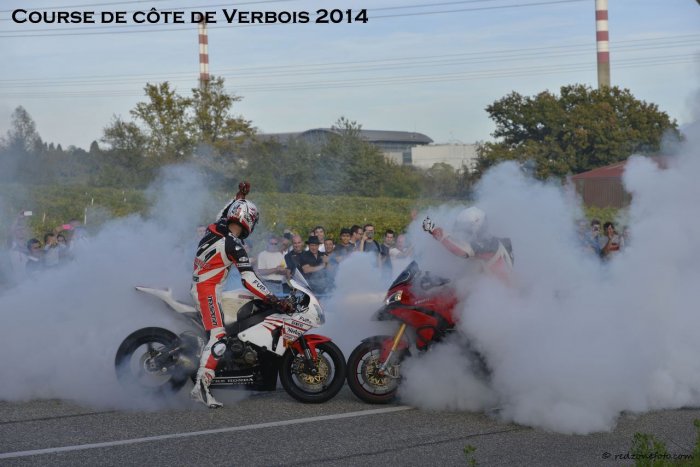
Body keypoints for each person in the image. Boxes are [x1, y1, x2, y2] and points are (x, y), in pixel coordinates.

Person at [190, 184, 291, 408]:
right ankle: (201, 388)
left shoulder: (215, 227)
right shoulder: (233, 245)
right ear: (248, 220)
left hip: (206, 286)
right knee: (218, 337)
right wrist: (272, 298)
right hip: (207, 290)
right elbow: (249, 279)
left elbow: (225, 211)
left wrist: (240, 197)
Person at [423, 207, 514, 282]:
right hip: (488, 289)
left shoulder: (489, 244)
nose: (463, 234)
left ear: (477, 228)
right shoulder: (488, 241)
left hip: (498, 294)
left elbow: (462, 251)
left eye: (466, 230)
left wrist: (436, 232)